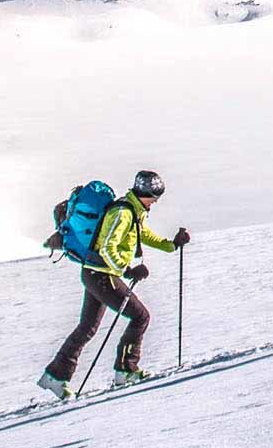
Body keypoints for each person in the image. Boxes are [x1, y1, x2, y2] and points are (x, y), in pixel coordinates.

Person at [39, 170, 189, 398]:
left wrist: (171, 245)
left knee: (87, 328)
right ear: (147, 194)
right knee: (141, 317)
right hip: (102, 275)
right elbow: (109, 247)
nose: (156, 202)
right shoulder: (123, 213)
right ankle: (125, 371)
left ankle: (55, 376)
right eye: (155, 197)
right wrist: (128, 270)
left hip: (93, 272)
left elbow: (143, 235)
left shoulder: (132, 211)